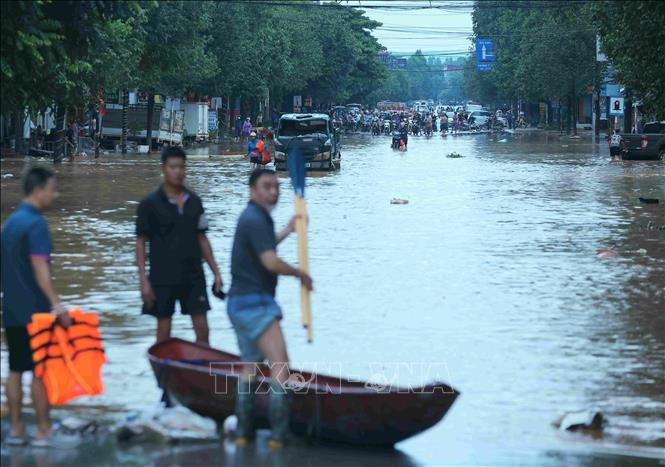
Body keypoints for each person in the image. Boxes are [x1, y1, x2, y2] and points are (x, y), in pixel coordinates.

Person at [228, 169, 313, 448]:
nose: (273, 192)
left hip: (240, 304)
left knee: (251, 368)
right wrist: (299, 273)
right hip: (255, 304)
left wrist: (288, 230)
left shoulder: (254, 217)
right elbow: (270, 262)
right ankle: (278, 435)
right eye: (267, 186)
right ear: (253, 191)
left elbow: (264, 248)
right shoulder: (255, 218)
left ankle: (243, 433)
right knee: (281, 366)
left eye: (276, 187)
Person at [1, 167, 73, 446]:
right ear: (39, 189)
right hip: (36, 313)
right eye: (52, 188)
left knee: (15, 369)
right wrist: (57, 304)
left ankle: (17, 429)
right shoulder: (36, 224)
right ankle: (44, 430)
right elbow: (40, 266)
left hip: (12, 310)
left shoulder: (9, 225)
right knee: (40, 371)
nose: (55, 195)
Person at [135, 146, 223, 345]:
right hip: (162, 276)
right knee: (163, 333)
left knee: (203, 331)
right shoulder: (150, 205)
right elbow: (141, 243)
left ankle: (201, 374)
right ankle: (164, 374)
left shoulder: (195, 202)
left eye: (181, 167)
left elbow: (202, 238)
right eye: (173, 167)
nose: (177, 172)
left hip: (193, 275)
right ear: (164, 169)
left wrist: (216, 272)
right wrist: (143, 281)